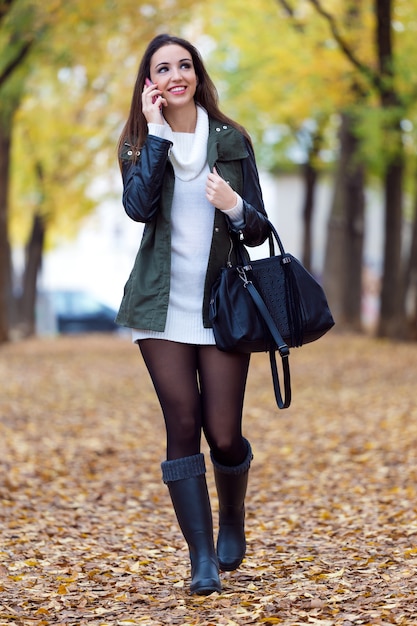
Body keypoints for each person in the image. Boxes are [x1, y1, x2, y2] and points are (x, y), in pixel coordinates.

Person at [116, 33, 270, 595]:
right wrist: (156, 135)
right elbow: (138, 209)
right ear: (149, 83)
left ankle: (233, 516)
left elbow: (257, 228)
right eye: (163, 68)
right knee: (182, 425)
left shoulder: (232, 139)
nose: (176, 74)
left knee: (223, 432)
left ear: (197, 73)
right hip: (159, 306)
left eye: (184, 64)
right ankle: (201, 559)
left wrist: (233, 206)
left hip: (222, 303)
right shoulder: (138, 141)